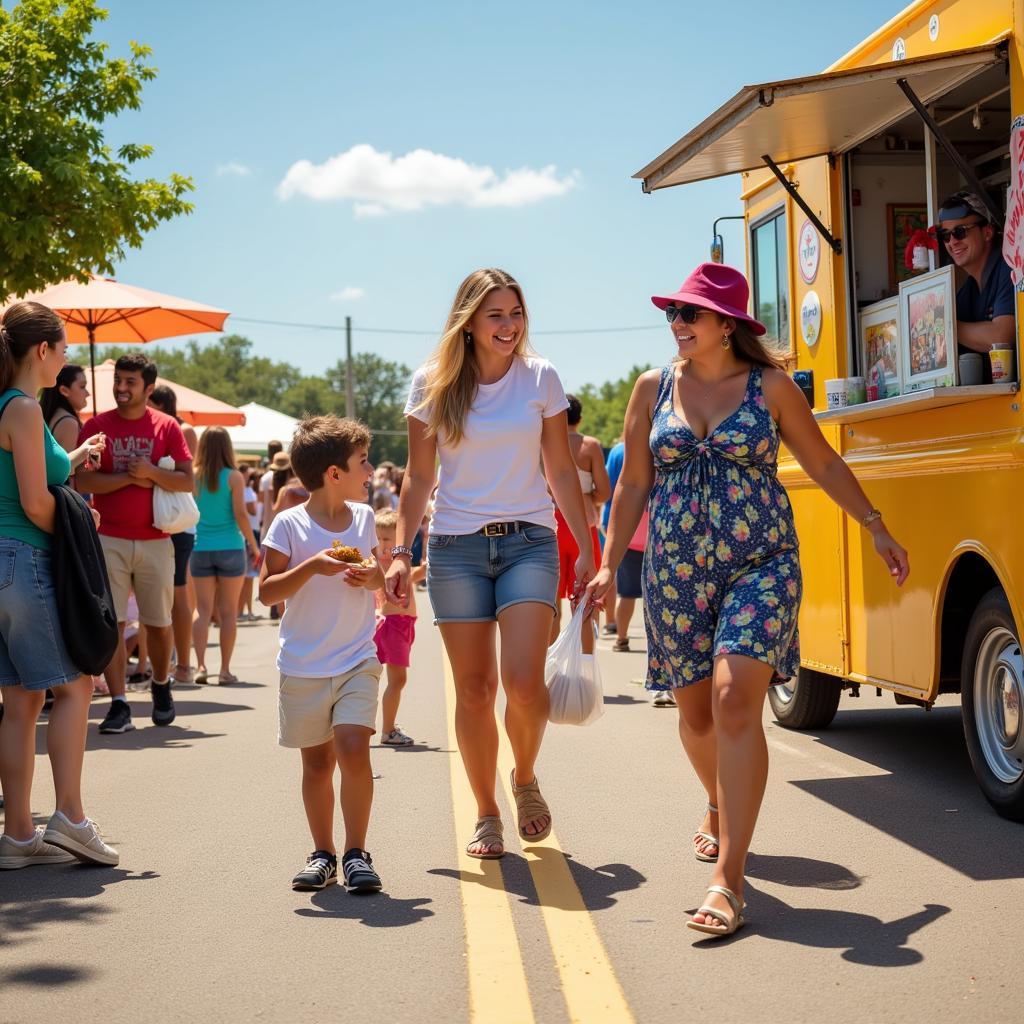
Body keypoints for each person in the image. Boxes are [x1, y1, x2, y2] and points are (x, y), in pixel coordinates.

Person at [585, 263, 909, 938]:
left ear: (726, 325)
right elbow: (632, 484)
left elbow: (821, 462)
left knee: (736, 702)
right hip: (675, 572)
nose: (676, 324)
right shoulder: (652, 388)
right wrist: (607, 562)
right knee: (697, 718)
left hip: (760, 564)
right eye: (672, 313)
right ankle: (715, 798)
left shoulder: (771, 388)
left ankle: (728, 878)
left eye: (689, 314)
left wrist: (876, 527)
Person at [385, 268, 595, 859]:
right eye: (496, 315)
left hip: (530, 541)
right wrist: (402, 553)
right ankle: (486, 811)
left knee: (525, 685)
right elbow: (419, 475)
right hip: (456, 550)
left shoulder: (541, 377)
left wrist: (586, 551)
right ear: (469, 322)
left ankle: (523, 777)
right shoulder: (433, 382)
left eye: (516, 313)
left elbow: (558, 470)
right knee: (475, 690)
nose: (509, 325)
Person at [0, 301, 118, 868]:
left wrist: (70, 455)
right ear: (42, 351)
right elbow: (32, 500)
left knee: (20, 703)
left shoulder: (10, 408)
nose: (68, 356)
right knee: (75, 687)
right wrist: (80, 526)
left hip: (2, 565)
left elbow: (26, 476)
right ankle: (70, 816)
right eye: (65, 347)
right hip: (25, 559)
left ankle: (20, 834)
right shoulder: (23, 408)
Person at [259, 415, 386, 893]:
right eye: (362, 462)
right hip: (304, 664)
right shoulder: (288, 524)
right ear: (335, 473)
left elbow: (376, 574)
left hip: (357, 658)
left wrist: (373, 577)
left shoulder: (365, 518)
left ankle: (357, 853)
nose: (370, 469)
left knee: (354, 748)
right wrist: (311, 566)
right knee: (316, 764)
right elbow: (268, 593)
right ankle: (323, 854)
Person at [76, 353, 194, 734]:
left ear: (149, 388)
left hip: (157, 539)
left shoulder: (167, 426)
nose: (121, 388)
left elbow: (187, 481)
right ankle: (119, 702)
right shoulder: (96, 426)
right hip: (107, 537)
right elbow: (83, 482)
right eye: (119, 381)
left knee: (158, 624)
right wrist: (131, 478)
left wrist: (152, 473)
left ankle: (161, 685)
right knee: (113, 623)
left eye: (130, 382)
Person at [40, 364, 110, 696]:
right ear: (65, 390)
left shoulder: (50, 416)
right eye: (82, 386)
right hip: (65, 514)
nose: (87, 392)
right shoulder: (67, 421)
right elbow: (60, 474)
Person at [190, 427, 259, 685]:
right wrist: (254, 545)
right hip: (230, 546)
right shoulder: (234, 477)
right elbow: (241, 514)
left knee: (203, 609)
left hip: (200, 547)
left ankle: (200, 666)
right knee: (229, 612)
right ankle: (225, 670)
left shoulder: (194, 476)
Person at [550, 394, 610, 652]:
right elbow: (605, 491)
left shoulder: (544, 442)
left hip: (550, 523)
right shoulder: (590, 445)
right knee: (585, 600)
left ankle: (548, 666)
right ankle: (584, 663)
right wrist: (589, 497)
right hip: (583, 525)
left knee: (550, 604)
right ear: (580, 418)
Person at [147, 384, 199, 685]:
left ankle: (183, 665)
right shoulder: (151, 428)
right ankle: (162, 666)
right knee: (159, 597)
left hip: (176, 520)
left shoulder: (181, 430)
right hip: (153, 520)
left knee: (178, 590)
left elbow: (185, 476)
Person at [936, 190, 1015, 378]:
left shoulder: (1010, 266)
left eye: (960, 232)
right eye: (946, 235)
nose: (952, 242)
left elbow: (1001, 338)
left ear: (987, 232)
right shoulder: (968, 290)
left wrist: (943, 326)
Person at [373, 509, 427, 745]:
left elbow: (413, 575)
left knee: (392, 680)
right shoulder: (383, 565)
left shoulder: (395, 562)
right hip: (393, 625)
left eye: (388, 539)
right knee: (397, 680)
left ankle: (388, 725)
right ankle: (388, 730)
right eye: (379, 539)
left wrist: (422, 569)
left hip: (402, 624)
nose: (383, 545)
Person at [600, 439, 625, 635]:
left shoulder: (617, 451)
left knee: (610, 566)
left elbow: (605, 489)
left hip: (613, 514)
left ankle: (610, 619)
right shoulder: (647, 444)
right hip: (643, 514)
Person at [238, 465, 262, 621]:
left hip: (252, 532)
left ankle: (248, 611)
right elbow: (252, 511)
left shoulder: (247, 491)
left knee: (249, 578)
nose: (250, 479)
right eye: (248, 476)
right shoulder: (244, 492)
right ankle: (240, 612)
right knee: (246, 577)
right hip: (249, 533)